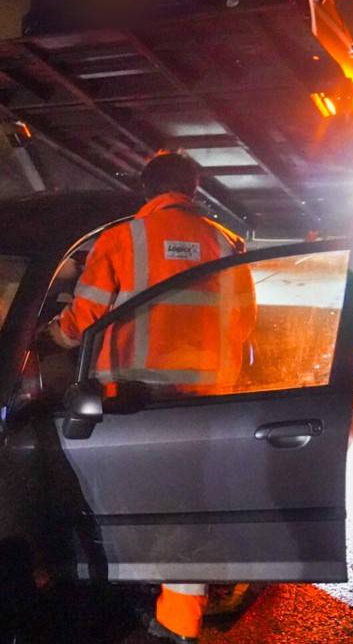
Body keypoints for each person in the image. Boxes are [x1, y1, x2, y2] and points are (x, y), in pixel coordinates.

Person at [47, 150, 257, 643]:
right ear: (193, 190)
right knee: (185, 509)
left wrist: (53, 336)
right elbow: (243, 323)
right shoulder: (226, 243)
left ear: (147, 190)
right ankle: (177, 620)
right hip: (202, 403)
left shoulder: (122, 239)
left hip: (131, 402)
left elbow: (85, 317)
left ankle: (136, 608)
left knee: (127, 507)